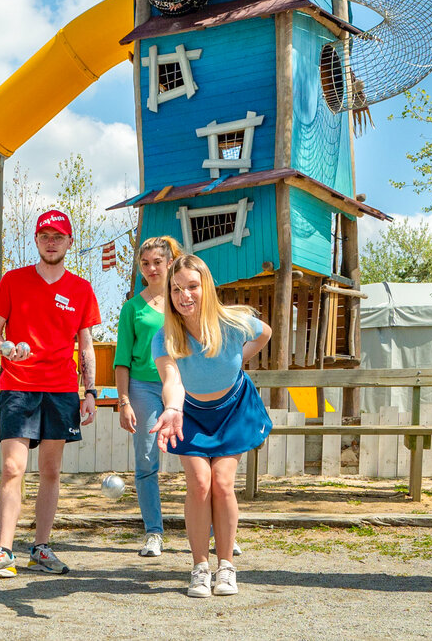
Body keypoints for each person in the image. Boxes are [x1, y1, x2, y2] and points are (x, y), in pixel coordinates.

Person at [0, 209, 101, 578]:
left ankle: (41, 549)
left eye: (58, 236)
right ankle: (3, 552)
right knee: (13, 467)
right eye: (45, 235)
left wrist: (89, 391)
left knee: (51, 470)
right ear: (36, 239)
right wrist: (6, 348)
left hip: (61, 390)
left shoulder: (81, 289)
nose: (51, 241)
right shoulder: (13, 281)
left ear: (69, 242)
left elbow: (86, 346)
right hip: (17, 386)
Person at [151, 254, 272, 598]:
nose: (184, 295)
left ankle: (226, 566)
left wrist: (239, 360)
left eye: (192, 286)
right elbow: (171, 378)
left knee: (222, 482)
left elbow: (266, 333)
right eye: (176, 289)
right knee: (200, 483)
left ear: (206, 287)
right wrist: (172, 407)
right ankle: (200, 567)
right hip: (188, 414)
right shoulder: (165, 337)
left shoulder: (235, 322)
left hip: (233, 409)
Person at [114, 235, 182, 558]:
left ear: (170, 263)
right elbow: (121, 360)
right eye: (145, 263)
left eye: (157, 262)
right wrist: (124, 400)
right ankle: (153, 532)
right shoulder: (132, 308)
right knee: (145, 462)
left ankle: (215, 533)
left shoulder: (183, 300)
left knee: (199, 459)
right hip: (142, 387)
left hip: (182, 386)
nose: (151, 268)